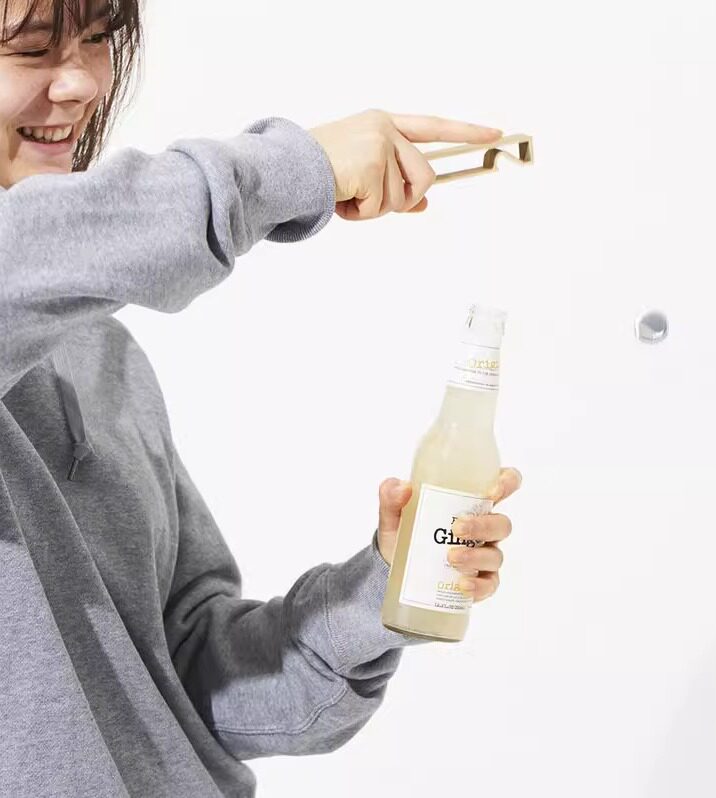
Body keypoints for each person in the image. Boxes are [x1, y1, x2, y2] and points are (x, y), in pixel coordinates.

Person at [0, 1, 522, 796]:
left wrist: (380, 589)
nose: (81, 83)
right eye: (32, 48)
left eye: (99, 38)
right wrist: (296, 168)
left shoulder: (102, 350)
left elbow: (183, 682)